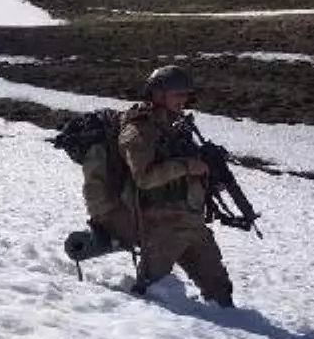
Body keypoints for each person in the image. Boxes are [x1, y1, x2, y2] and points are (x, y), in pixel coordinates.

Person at [97, 65, 235, 306]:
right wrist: (186, 167)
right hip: (160, 225)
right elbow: (144, 177)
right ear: (158, 94)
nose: (184, 100)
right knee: (150, 295)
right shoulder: (138, 129)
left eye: (186, 95)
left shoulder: (174, 127)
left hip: (191, 221)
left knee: (221, 293)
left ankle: (238, 333)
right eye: (178, 94)